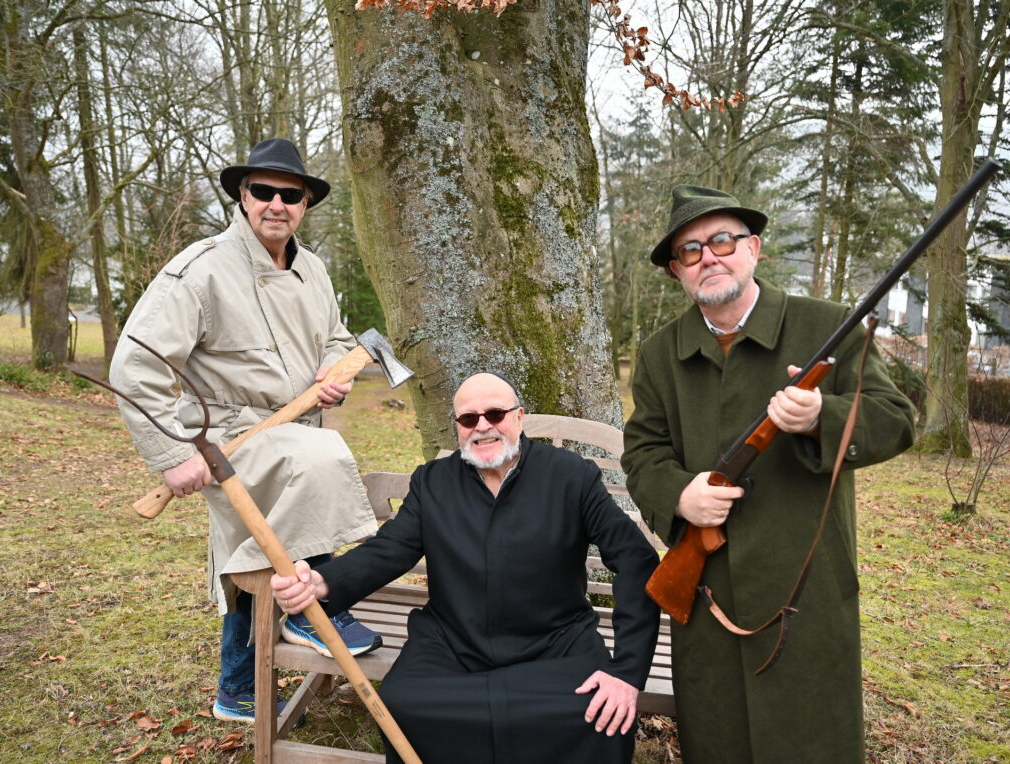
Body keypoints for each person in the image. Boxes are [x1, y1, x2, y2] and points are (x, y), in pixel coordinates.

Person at [621, 185, 916, 762]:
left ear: (753, 248)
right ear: (677, 272)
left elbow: (895, 419)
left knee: (810, 739)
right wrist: (681, 496)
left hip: (806, 590)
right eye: (690, 250)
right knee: (718, 738)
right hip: (709, 594)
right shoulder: (659, 354)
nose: (708, 256)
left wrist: (820, 417)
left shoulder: (830, 327)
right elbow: (642, 452)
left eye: (722, 240)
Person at [109, 138, 384, 723]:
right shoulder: (201, 269)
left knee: (254, 557)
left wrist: (333, 372)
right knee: (323, 462)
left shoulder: (311, 269)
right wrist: (169, 454)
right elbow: (135, 366)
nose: (276, 204)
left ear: (306, 203)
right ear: (243, 195)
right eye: (264, 191)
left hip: (294, 426)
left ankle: (237, 689)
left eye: (291, 194)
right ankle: (314, 611)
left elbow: (335, 340)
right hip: (228, 440)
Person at [271, 372, 661, 763]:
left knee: (598, 711)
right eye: (468, 419)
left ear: (520, 417)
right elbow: (391, 549)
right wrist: (323, 581)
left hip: (556, 641)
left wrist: (627, 671)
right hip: (454, 641)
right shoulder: (433, 481)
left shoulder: (571, 475)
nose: (483, 426)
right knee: (405, 701)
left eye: (495, 413)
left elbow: (635, 559)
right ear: (458, 427)